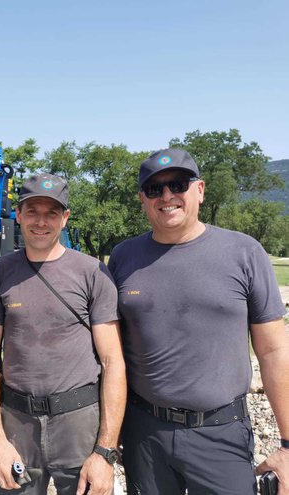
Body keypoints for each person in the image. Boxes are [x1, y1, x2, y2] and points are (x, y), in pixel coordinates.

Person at [108, 148, 289, 495]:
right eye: (154, 189)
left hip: (221, 431)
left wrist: (288, 445)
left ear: (201, 190)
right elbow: (109, 350)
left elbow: (274, 351)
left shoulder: (244, 253)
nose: (167, 196)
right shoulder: (123, 257)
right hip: (145, 433)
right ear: (142, 199)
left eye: (178, 184)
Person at [0, 173, 127, 495]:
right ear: (17, 214)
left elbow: (113, 362)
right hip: (18, 424)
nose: (41, 222)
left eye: (51, 213)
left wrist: (105, 451)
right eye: (32, 211)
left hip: (79, 423)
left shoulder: (92, 273)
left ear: (65, 217)